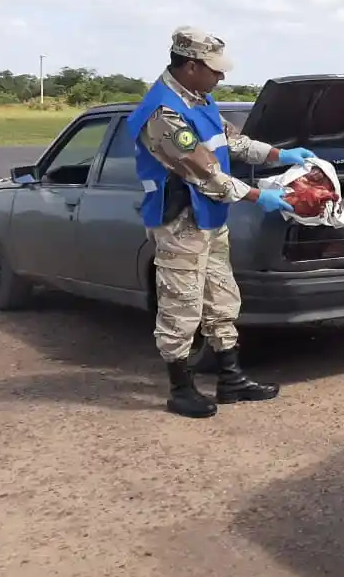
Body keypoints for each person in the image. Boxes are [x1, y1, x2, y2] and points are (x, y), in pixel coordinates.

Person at [126, 26, 317, 419]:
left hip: (210, 219)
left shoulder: (201, 99)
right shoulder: (163, 114)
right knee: (181, 307)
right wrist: (258, 196)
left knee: (222, 298)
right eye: (214, 69)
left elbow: (233, 142)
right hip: (180, 223)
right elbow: (206, 174)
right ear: (190, 66)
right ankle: (180, 389)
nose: (221, 76)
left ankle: (231, 379)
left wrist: (280, 155)